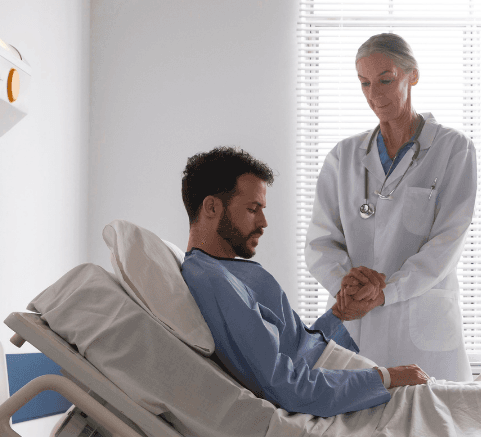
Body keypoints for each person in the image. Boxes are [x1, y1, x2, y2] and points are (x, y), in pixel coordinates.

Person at [178, 146, 429, 417]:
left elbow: (292, 349)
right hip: (337, 388)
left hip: (339, 377)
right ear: (212, 207)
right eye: (253, 209)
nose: (263, 222)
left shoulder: (227, 271)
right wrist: (386, 377)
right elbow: (287, 385)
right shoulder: (213, 281)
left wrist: (338, 314)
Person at [305, 33, 477, 382]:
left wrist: (386, 291)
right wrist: (347, 287)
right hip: (354, 325)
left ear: (412, 75)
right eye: (364, 83)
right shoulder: (344, 155)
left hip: (423, 328)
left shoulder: (453, 149)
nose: (375, 94)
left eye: (386, 80)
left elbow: (447, 242)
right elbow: (321, 242)